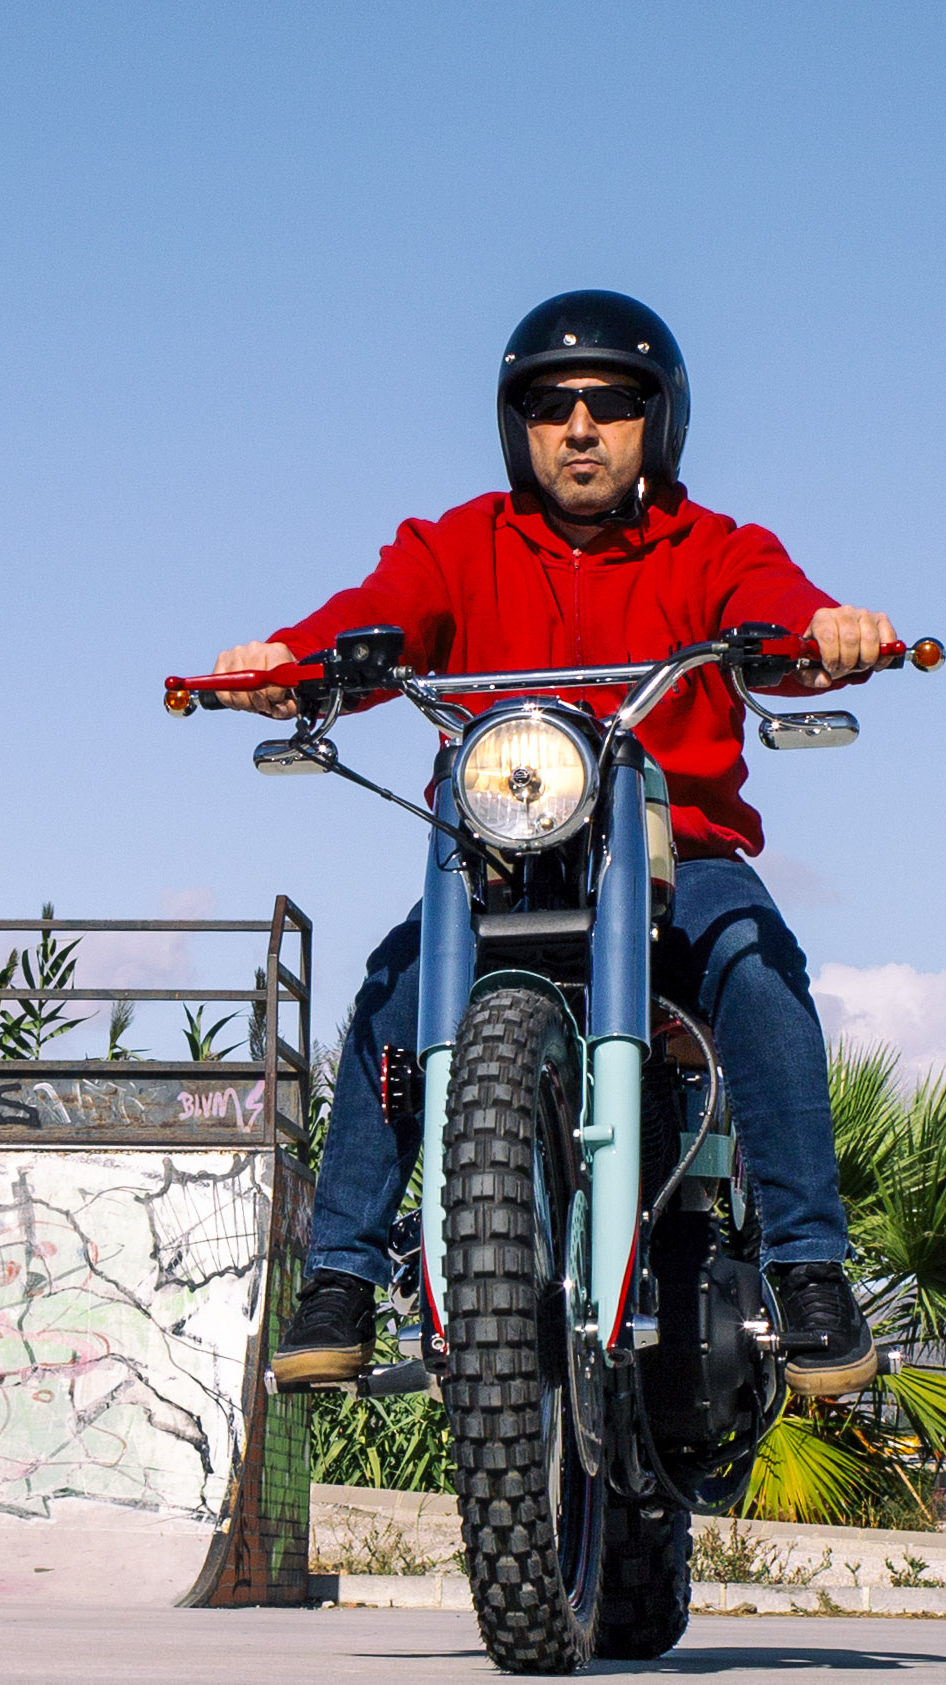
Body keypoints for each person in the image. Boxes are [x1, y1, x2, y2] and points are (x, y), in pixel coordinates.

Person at [215, 290, 897, 1398]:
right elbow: (374, 616)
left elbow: (773, 606)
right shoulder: (456, 545)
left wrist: (824, 633)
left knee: (758, 964)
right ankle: (339, 1275)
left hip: (677, 856)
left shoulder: (714, 547)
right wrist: (286, 663)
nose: (578, 426)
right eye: (548, 404)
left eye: (610, 402)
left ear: (656, 422)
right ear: (515, 425)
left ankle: (808, 1266)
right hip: (499, 857)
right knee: (393, 987)